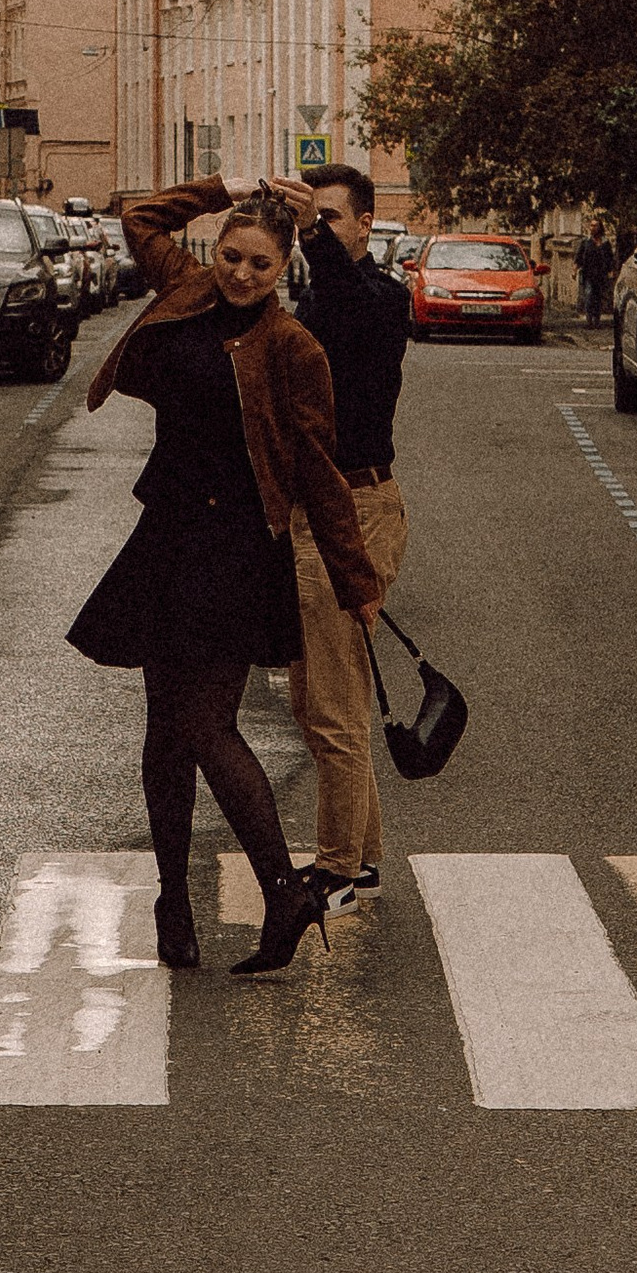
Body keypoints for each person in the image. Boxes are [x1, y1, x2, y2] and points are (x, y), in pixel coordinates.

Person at [71, 179, 383, 977]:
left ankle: (283, 891)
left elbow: (319, 469)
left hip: (238, 546)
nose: (241, 274)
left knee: (206, 724)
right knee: (162, 730)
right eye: (232, 255)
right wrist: (223, 189)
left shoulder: (291, 347)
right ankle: (172, 901)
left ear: (284, 268)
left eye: (260, 264)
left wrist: (357, 577)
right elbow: (139, 216)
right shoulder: (186, 289)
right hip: (167, 533)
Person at [270, 163, 411, 907]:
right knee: (320, 699)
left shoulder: (384, 298)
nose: (319, 231)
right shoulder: (314, 298)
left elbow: (356, 314)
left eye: (331, 219)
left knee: (332, 705)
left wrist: (312, 240)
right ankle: (364, 856)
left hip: (359, 508)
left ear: (364, 224)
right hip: (312, 511)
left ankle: (336, 869)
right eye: (311, 218)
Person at [577, 218, 617, 325]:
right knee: (589, 294)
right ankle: (589, 319)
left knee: (598, 297)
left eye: (595, 226)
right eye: (591, 226)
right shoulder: (586, 242)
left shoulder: (605, 243)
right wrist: (574, 269)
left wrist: (611, 271)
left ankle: (597, 319)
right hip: (588, 273)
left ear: (600, 228)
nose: (593, 228)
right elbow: (579, 257)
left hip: (600, 274)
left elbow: (609, 258)